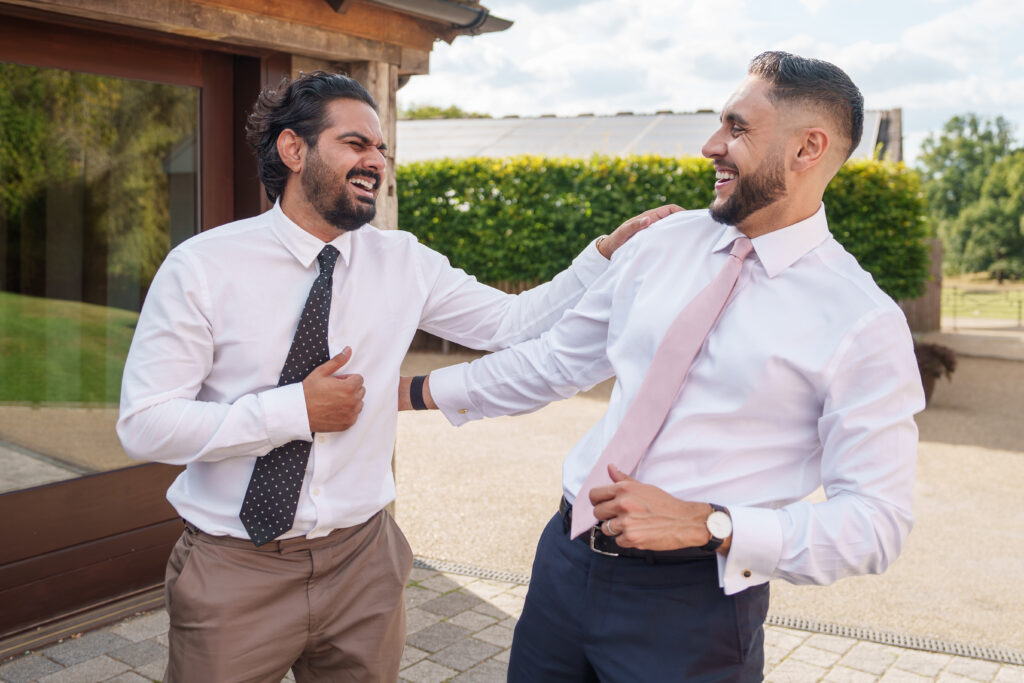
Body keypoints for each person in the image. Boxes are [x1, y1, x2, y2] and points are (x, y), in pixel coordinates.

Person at [116, 70, 679, 682]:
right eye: (356, 144)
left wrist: (602, 255)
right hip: (235, 568)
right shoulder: (203, 267)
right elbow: (145, 426)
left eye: (381, 149)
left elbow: (512, 322)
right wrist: (293, 411)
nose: (376, 161)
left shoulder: (404, 260)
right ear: (293, 149)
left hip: (365, 563)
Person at [405, 51, 925, 681]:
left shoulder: (863, 322)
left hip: (695, 608)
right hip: (563, 564)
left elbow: (876, 522)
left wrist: (711, 524)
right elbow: (553, 362)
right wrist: (407, 392)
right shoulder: (661, 245)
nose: (712, 146)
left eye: (737, 128)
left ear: (807, 148)